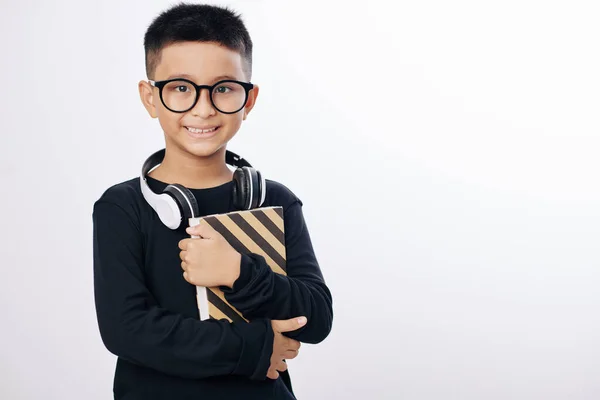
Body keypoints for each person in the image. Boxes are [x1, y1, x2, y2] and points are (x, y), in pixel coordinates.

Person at [91, 2, 333, 399]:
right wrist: (256, 346)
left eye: (223, 88)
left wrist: (240, 272)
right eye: (181, 88)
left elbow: (317, 318)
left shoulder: (274, 200)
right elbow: (128, 331)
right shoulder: (123, 207)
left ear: (248, 100)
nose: (203, 109)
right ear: (150, 98)